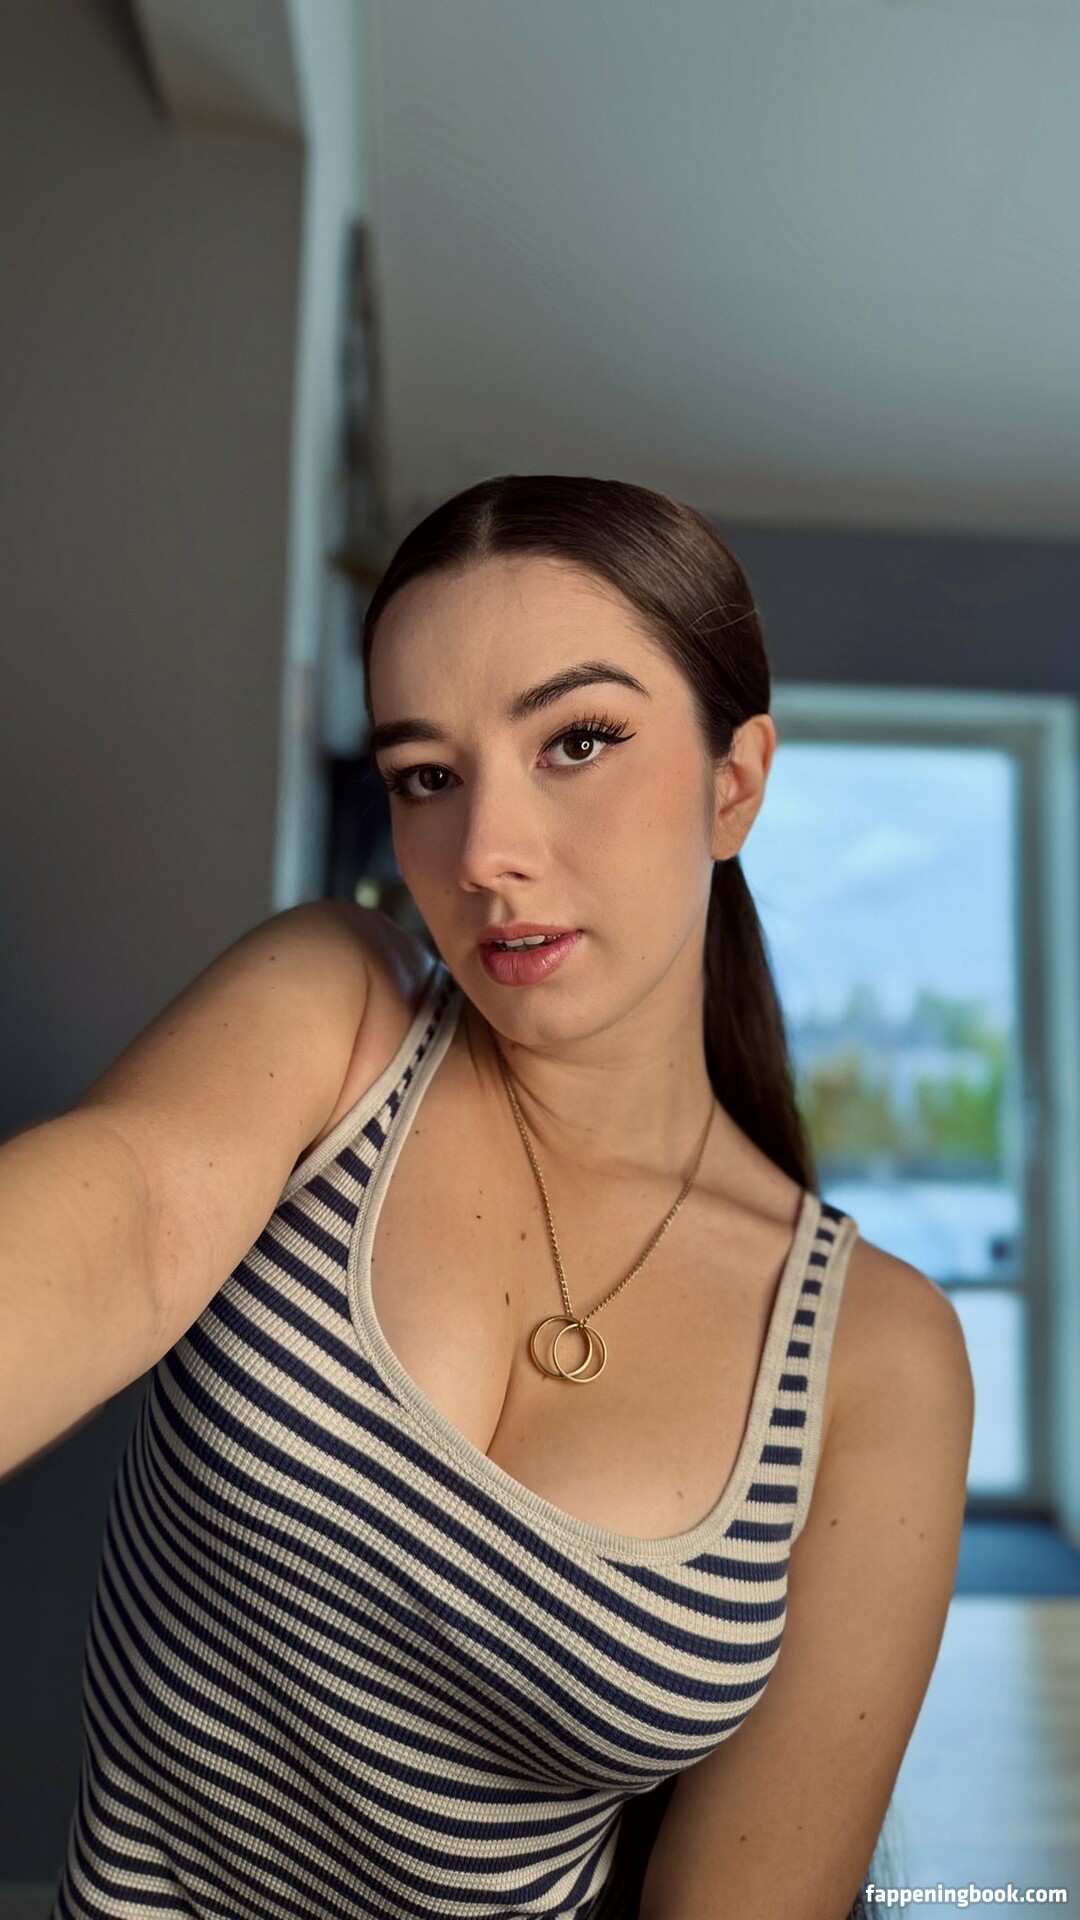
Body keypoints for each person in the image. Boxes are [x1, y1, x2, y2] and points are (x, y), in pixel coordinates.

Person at [2, 473, 972, 1919]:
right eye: (426, 775)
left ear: (735, 784)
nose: (482, 855)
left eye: (577, 741)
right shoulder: (336, 1016)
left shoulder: (875, 1358)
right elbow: (125, 1221)